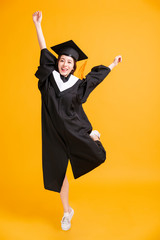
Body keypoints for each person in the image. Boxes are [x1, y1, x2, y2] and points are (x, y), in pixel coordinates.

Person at [32, 10, 122, 231]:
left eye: (69, 62)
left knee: (96, 153)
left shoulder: (77, 84)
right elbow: (44, 51)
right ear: (58, 62)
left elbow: (94, 80)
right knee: (59, 174)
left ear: (74, 66)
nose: (64, 64)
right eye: (62, 60)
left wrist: (112, 64)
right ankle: (67, 212)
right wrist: (38, 25)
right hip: (53, 134)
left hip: (73, 129)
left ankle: (90, 134)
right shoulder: (49, 78)